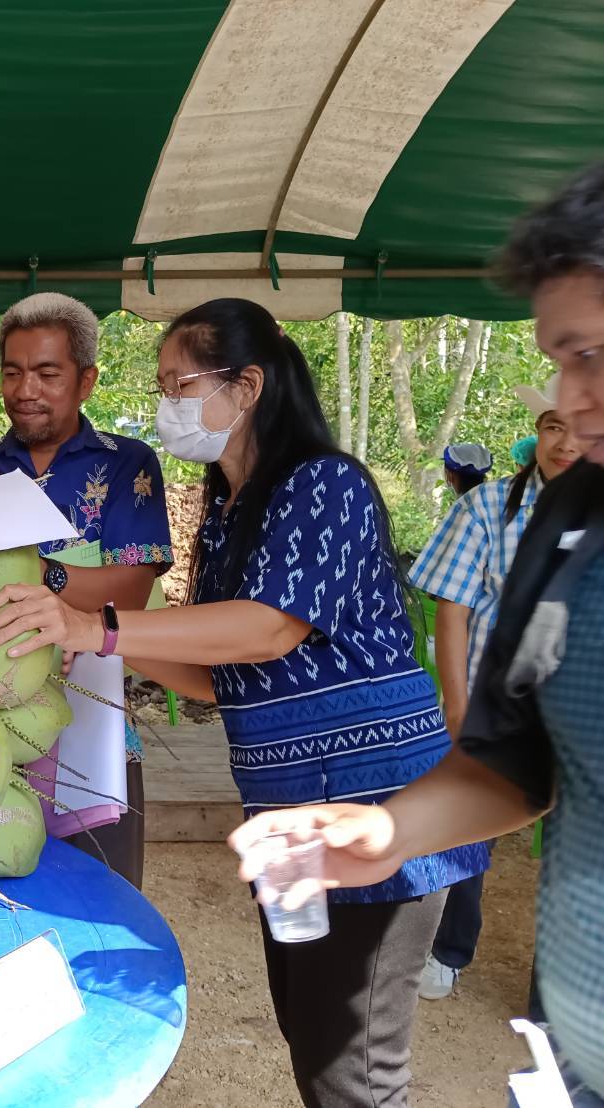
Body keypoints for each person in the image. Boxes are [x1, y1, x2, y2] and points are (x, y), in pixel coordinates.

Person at [0, 297, 486, 1108]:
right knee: (311, 1037)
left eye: (176, 384)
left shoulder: (324, 484)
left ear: (244, 386)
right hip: (286, 815)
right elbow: (220, 675)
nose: (163, 406)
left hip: (375, 811)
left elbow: (269, 631)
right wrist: (85, 640)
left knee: (351, 1070)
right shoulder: (226, 513)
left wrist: (95, 623)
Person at [231, 163, 604, 1107]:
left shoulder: (323, 484)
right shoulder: (567, 518)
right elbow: (513, 765)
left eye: (590, 355)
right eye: (561, 360)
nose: (569, 394)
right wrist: (385, 827)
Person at [0, 292, 173, 890]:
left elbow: (134, 583)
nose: (26, 390)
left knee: (96, 897)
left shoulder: (128, 465)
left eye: (48, 373)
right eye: (13, 372)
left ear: (86, 380)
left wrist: (36, 579)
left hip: (88, 723)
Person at [409, 376, 579, 1001]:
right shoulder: (486, 508)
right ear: (537, 434)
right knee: (467, 827)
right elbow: (451, 607)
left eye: (579, 429)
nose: (563, 442)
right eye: (552, 426)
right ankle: (449, 951)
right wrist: (458, 707)